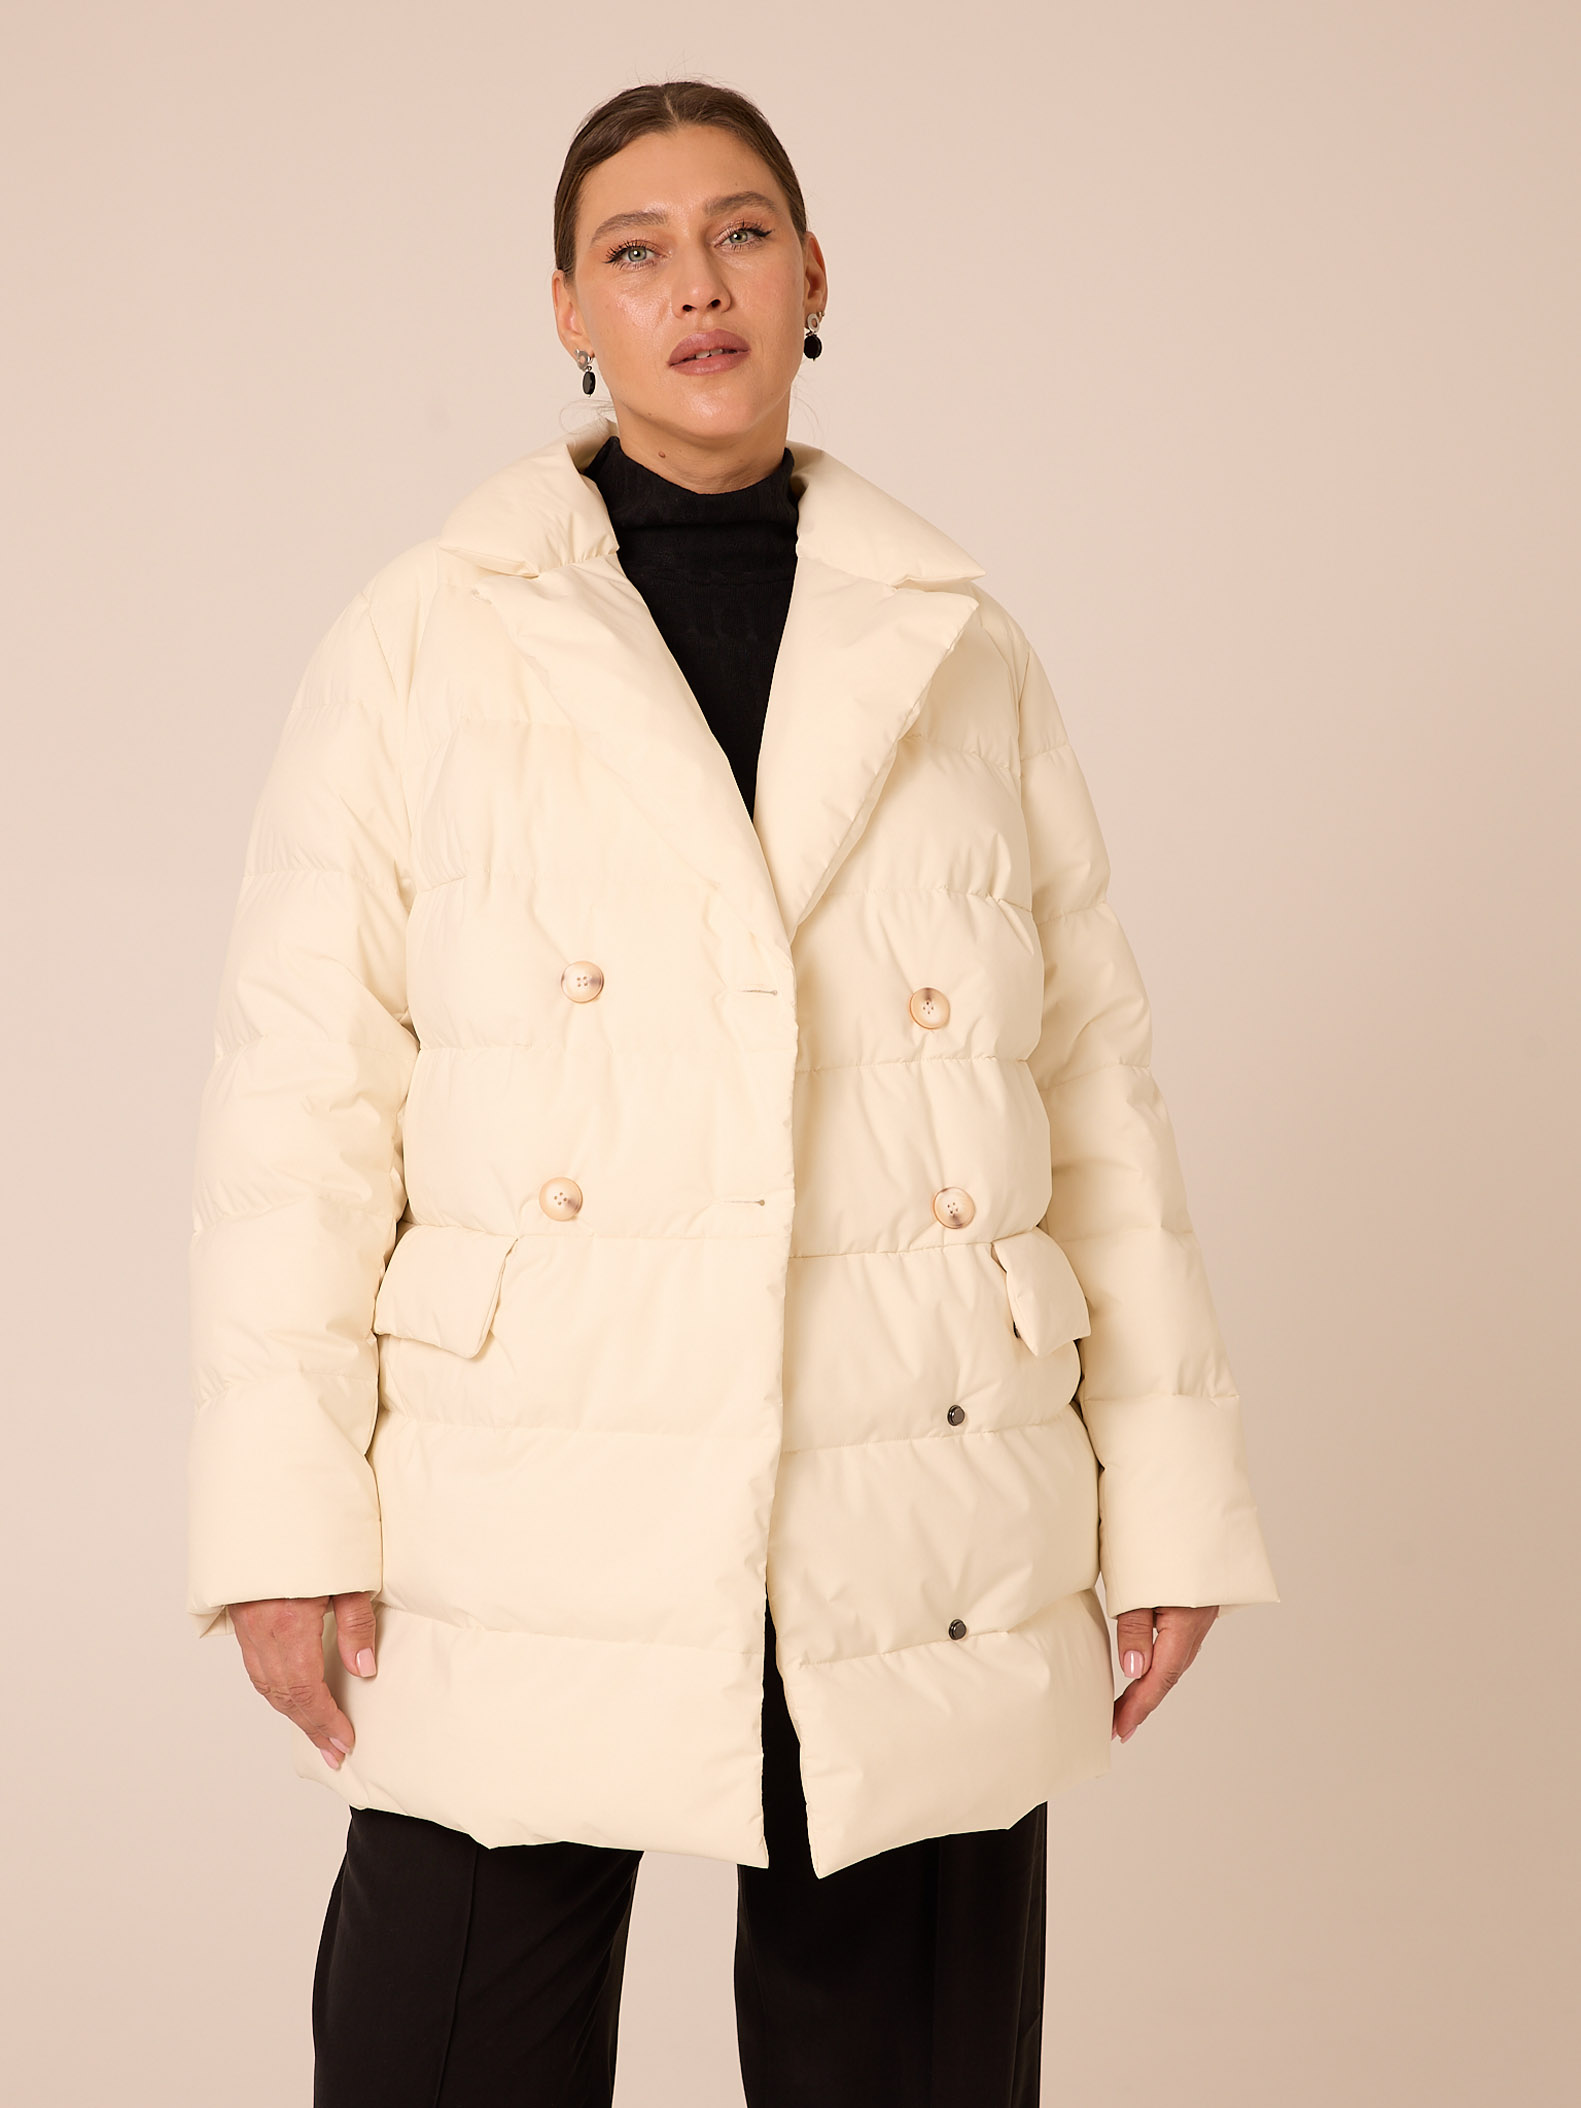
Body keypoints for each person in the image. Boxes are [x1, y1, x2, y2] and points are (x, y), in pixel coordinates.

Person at [187, 79, 1279, 2108]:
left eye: (740, 232)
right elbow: (302, 1102)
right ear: (567, 310)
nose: (695, 283)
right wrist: (280, 1515)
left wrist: (1166, 1501)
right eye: (636, 249)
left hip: (911, 1465)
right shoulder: (428, 637)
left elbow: (1088, 1093)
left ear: (811, 277)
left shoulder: (959, 648)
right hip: (528, 1467)